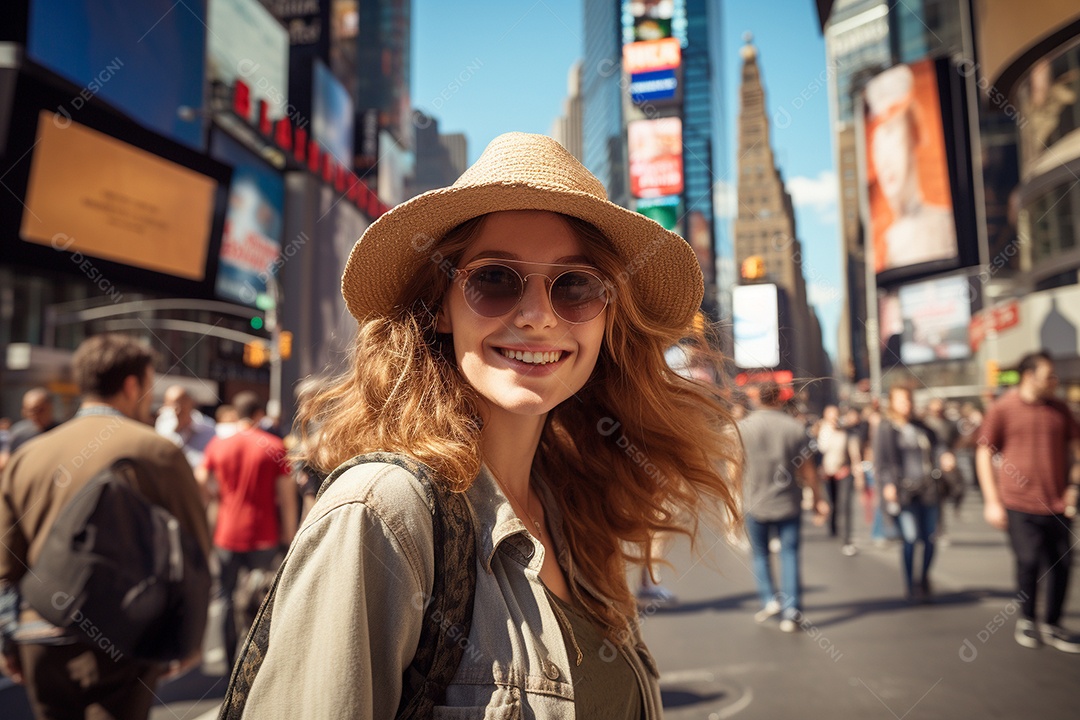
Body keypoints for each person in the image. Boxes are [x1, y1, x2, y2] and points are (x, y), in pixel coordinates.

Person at [228, 132, 742, 716]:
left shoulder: (572, 509)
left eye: (575, 286)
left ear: (607, 320)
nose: (538, 315)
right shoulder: (382, 512)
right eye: (494, 279)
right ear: (441, 305)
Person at [0, 334, 211, 719]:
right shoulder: (157, 451)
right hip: (125, 633)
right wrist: (190, 636)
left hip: (40, 628)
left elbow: (5, 561)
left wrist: (6, 636)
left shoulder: (26, 456)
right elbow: (195, 549)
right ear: (132, 386)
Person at [975, 351, 1080, 652]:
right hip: (1018, 502)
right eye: (1049, 375)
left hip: (1058, 503)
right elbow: (983, 453)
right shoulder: (1003, 408)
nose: (1055, 381)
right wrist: (991, 500)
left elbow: (1076, 451)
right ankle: (1028, 619)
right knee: (1029, 561)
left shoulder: (1060, 409)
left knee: (1062, 565)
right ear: (1028, 376)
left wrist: (1073, 486)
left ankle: (1053, 624)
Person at [198, 391, 297, 668]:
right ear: (258, 415)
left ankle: (229, 661)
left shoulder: (219, 444)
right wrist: (289, 535)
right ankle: (256, 661)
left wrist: (218, 497)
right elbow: (287, 498)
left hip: (227, 534)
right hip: (263, 534)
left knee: (226, 597)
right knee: (262, 600)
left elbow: (202, 480)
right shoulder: (274, 446)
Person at [739, 381, 828, 632]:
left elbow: (735, 467)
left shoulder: (743, 428)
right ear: (779, 398)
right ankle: (792, 610)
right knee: (789, 554)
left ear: (757, 399)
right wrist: (818, 499)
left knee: (760, 554)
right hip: (788, 501)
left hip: (753, 500)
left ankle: (769, 599)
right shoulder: (794, 428)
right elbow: (808, 468)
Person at [865, 63, 956, 273]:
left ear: (914, 132)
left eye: (890, 133)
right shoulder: (879, 245)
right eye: (876, 145)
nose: (884, 158)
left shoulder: (942, 225)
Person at [874, 385, 951, 603]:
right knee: (910, 538)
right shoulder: (886, 428)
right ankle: (910, 584)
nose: (905, 405)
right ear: (892, 403)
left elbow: (939, 446)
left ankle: (923, 577)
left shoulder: (921, 426)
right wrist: (888, 484)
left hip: (928, 488)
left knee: (930, 538)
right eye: (900, 401)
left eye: (908, 400)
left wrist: (945, 456)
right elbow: (881, 462)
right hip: (904, 491)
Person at [817, 405, 865, 556]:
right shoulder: (821, 431)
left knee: (845, 505)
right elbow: (817, 452)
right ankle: (832, 528)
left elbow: (854, 452)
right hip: (827, 473)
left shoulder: (847, 432)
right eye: (830, 415)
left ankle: (846, 540)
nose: (833, 418)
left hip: (843, 472)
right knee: (832, 502)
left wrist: (858, 473)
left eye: (835, 415)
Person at [156, 384, 217, 470]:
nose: (176, 409)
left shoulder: (207, 427)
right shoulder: (163, 425)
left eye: (180, 404)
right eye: (171, 404)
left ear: (191, 403)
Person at [0, 388, 60, 472]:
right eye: (29, 411)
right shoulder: (18, 433)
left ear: (50, 407)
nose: (34, 415)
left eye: (39, 410)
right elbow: (5, 459)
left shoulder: (61, 431)